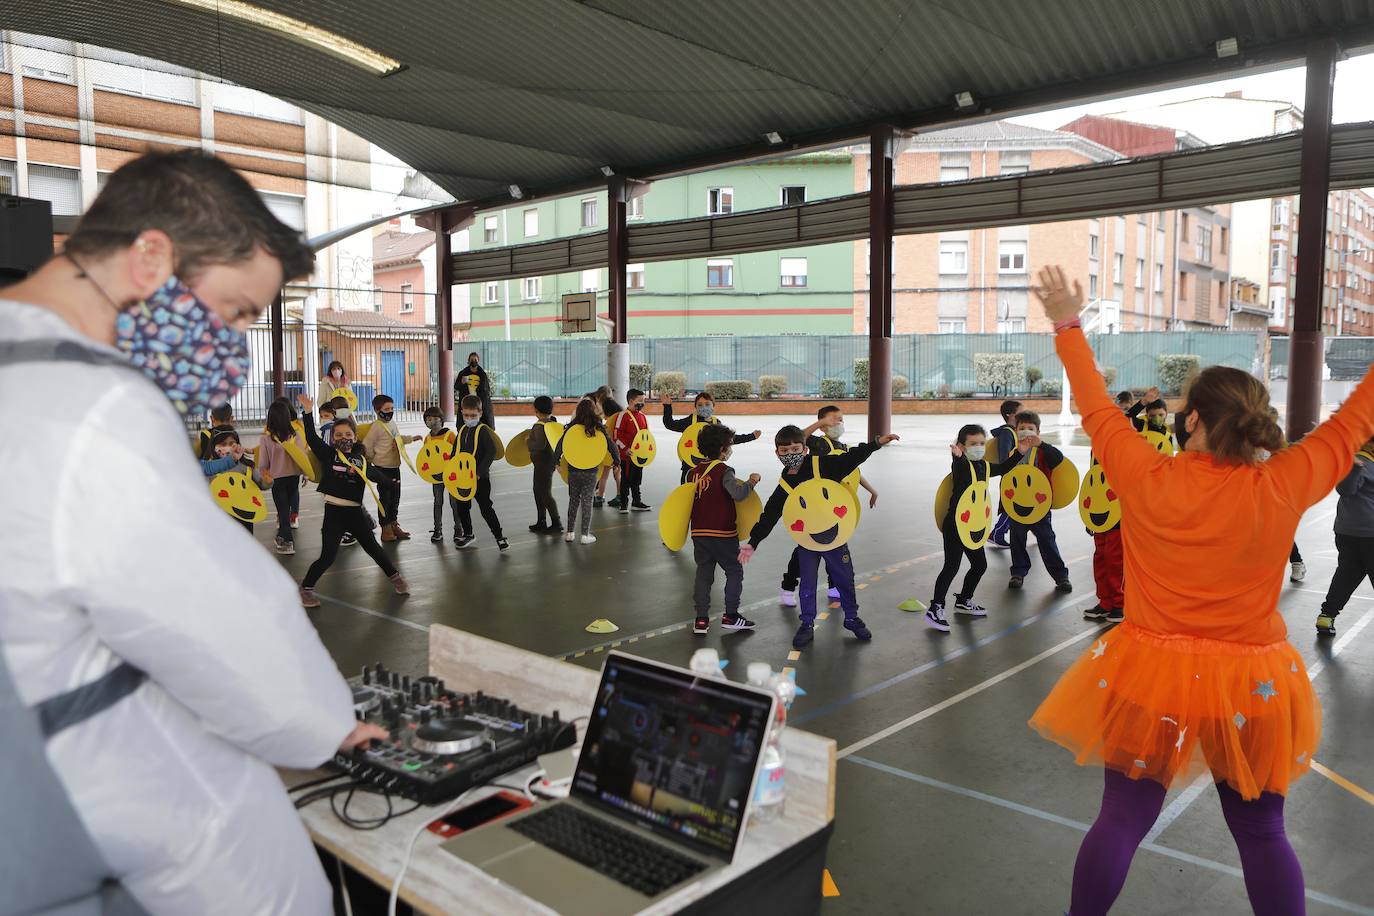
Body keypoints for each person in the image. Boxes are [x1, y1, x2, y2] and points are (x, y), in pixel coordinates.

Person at [0, 149, 383, 915]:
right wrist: (328, 727)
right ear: (149, 257)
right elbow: (220, 620)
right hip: (89, 803)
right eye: (237, 310)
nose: (232, 343)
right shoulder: (97, 405)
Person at [1027, 265, 1373, 916]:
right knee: (1263, 835)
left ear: (1190, 421)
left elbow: (1097, 405)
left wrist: (1068, 323)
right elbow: (1356, 420)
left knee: (1121, 822)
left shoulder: (1145, 475)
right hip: (1252, 685)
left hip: (1151, 674)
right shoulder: (1283, 483)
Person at [740, 425, 899, 650]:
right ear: (777, 454)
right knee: (807, 582)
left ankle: (852, 618)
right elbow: (770, 514)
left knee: (845, 579)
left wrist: (875, 443)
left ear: (805, 449)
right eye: (784, 451)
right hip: (808, 542)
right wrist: (753, 542)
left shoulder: (823, 465)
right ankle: (806, 623)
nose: (790, 455)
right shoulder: (786, 483)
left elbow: (851, 459)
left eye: (795, 449)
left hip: (835, 538)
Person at [297, 392, 409, 604]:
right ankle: (305, 589)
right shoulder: (329, 455)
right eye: (338, 435)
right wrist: (308, 412)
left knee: (374, 549)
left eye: (347, 434)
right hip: (334, 514)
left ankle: (396, 578)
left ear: (355, 437)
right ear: (332, 438)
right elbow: (311, 437)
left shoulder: (360, 460)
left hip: (355, 513)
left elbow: (375, 475)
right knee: (328, 557)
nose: (343, 438)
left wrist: (391, 483)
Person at [925, 424, 1028, 633]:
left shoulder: (985, 466)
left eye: (982, 443)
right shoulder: (961, 466)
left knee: (979, 565)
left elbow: (1004, 468)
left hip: (974, 526)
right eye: (973, 444)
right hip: (955, 525)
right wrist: (958, 456)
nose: (979, 447)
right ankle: (935, 607)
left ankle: (964, 600)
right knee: (951, 567)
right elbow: (960, 466)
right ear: (962, 446)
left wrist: (1020, 453)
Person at [778, 405, 880, 606]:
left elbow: (853, 470)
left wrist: (872, 490)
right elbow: (799, 439)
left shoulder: (844, 447)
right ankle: (788, 586)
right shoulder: (819, 443)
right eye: (834, 419)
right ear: (823, 425)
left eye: (841, 419)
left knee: (837, 544)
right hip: (815, 506)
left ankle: (834, 586)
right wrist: (820, 424)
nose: (839, 423)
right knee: (805, 547)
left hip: (836, 507)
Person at [688, 424, 761, 636]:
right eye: (729, 445)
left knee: (704, 573)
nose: (730, 449)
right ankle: (731, 616)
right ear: (722, 449)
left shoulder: (694, 472)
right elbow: (737, 494)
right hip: (723, 532)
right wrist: (752, 482)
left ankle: (701, 620)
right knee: (734, 571)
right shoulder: (724, 470)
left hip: (699, 533)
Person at [1006, 410, 1073, 593]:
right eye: (1022, 428)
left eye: (1030, 428)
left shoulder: (1044, 451)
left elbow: (1058, 459)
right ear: (1016, 430)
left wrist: (1041, 444)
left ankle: (1061, 576)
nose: (1026, 432)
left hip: (1040, 507)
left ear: (1038, 431)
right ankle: (1018, 572)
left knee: (1047, 539)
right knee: (1017, 539)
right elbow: (1007, 478)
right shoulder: (1014, 452)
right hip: (1017, 507)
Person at [1315, 437, 1374, 636]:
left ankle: (1326, 616)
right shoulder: (1360, 461)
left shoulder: (1363, 460)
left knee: (1347, 575)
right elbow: (1345, 489)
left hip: (1347, 531)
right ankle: (1327, 615)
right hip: (1367, 533)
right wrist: (1354, 468)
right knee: (1347, 574)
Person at [555, 397, 621, 544]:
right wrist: (617, 462)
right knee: (587, 502)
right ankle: (585, 535)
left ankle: (570, 533)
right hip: (590, 471)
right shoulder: (598, 428)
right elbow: (611, 446)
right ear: (593, 411)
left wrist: (556, 462)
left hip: (573, 470)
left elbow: (560, 446)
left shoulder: (571, 428)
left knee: (573, 501)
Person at [661, 389, 761, 483]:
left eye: (707, 404)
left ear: (713, 406)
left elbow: (730, 439)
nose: (704, 407)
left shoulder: (716, 423)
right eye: (700, 405)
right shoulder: (690, 421)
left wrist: (751, 436)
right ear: (695, 407)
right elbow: (670, 424)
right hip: (690, 467)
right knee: (687, 495)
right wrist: (667, 406)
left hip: (711, 467)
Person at [361, 393, 421, 542]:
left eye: (392, 408)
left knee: (395, 497)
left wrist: (411, 439)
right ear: (377, 410)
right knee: (385, 499)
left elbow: (398, 439)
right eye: (386, 408)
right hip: (382, 469)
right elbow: (367, 446)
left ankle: (394, 523)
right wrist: (368, 464)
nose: (390, 411)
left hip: (395, 466)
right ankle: (385, 527)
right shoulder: (376, 427)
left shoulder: (392, 423)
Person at [453, 394, 508, 550]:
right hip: (463, 479)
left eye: (473, 415)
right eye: (466, 415)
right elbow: (455, 452)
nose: (469, 418)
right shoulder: (462, 430)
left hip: (480, 479)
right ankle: (468, 534)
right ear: (461, 412)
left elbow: (491, 451)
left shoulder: (483, 430)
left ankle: (499, 536)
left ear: (480, 413)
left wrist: (479, 472)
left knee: (485, 507)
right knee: (462, 507)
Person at [259, 397, 310, 554]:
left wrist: (263, 475)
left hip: (277, 480)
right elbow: (302, 457)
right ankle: (282, 537)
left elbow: (263, 464)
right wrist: (306, 474)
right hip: (293, 478)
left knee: (282, 510)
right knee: (288, 507)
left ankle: (287, 541)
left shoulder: (266, 439)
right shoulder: (295, 436)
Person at [209, 429, 272, 534]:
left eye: (232, 443)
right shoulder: (211, 468)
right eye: (223, 444)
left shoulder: (247, 467)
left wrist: (268, 481)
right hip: (221, 517)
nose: (228, 447)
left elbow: (261, 485)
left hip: (245, 517)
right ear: (215, 447)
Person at [421, 405, 461, 543]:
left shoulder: (449, 435)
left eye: (435, 418)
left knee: (454, 502)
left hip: (451, 475)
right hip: (436, 476)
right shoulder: (428, 439)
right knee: (437, 502)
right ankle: (437, 529)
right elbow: (425, 457)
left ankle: (459, 529)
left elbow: (457, 453)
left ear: (441, 419)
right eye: (429, 419)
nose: (432, 421)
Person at [610, 388, 652, 513]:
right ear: (631, 400)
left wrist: (647, 450)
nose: (642, 403)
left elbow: (646, 435)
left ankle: (636, 501)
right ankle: (623, 503)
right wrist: (625, 449)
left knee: (637, 479)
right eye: (640, 400)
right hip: (627, 456)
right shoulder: (623, 415)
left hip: (639, 455)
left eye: (643, 400)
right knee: (626, 479)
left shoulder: (643, 417)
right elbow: (616, 436)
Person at [987, 399, 1022, 548]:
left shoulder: (1014, 431)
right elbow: (1004, 458)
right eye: (1021, 411)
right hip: (1011, 476)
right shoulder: (1007, 433)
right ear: (1011, 415)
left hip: (1017, 475)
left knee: (1016, 506)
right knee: (1013, 507)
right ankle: (997, 533)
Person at [527, 395, 564, 534]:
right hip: (547, 463)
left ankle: (556, 522)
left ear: (535, 409)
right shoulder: (551, 423)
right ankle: (541, 520)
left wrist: (528, 441)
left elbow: (539, 445)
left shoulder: (539, 425)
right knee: (538, 490)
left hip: (542, 464)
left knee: (544, 492)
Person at [456, 351, 494, 428]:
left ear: (478, 360)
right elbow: (456, 386)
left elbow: (486, 390)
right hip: (466, 402)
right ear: (468, 361)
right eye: (471, 360)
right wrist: (462, 383)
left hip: (479, 402)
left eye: (475, 360)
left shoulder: (482, 375)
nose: (473, 362)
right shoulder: (463, 373)